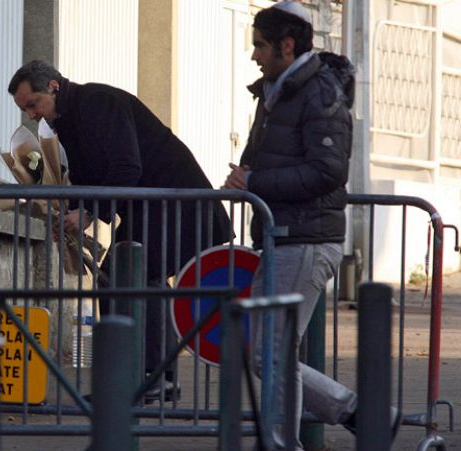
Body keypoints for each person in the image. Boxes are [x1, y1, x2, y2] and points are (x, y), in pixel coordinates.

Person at [9, 60, 232, 401]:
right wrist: (70, 214)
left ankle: (143, 378)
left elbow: (127, 165)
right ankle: (150, 378)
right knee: (134, 279)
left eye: (32, 104)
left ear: (53, 86)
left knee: (125, 278)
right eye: (25, 109)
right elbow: (90, 175)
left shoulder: (98, 103)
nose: (31, 115)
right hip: (158, 204)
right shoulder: (70, 118)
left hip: (173, 203)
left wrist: (87, 211)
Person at [221, 1, 361, 449]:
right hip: (287, 236)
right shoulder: (278, 90)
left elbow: (328, 170)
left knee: (270, 353)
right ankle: (358, 413)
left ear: (286, 45)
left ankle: (297, 437)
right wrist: (246, 176)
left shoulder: (317, 92)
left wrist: (254, 182)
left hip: (304, 239)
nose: (254, 55)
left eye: (260, 45)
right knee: (270, 353)